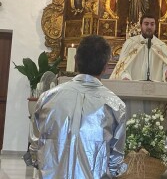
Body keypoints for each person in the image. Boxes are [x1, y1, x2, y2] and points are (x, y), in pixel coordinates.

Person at [30, 35, 127, 179]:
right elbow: (115, 162)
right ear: (106, 66)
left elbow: (35, 147)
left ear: (75, 60)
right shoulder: (115, 105)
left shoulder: (47, 98)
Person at [110, 14, 167, 82]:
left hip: (155, 88)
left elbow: (166, 67)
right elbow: (123, 66)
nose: (149, 27)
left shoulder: (161, 46)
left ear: (155, 26)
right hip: (133, 87)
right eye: (146, 24)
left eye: (152, 24)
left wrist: (166, 74)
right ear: (141, 26)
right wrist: (125, 77)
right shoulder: (130, 43)